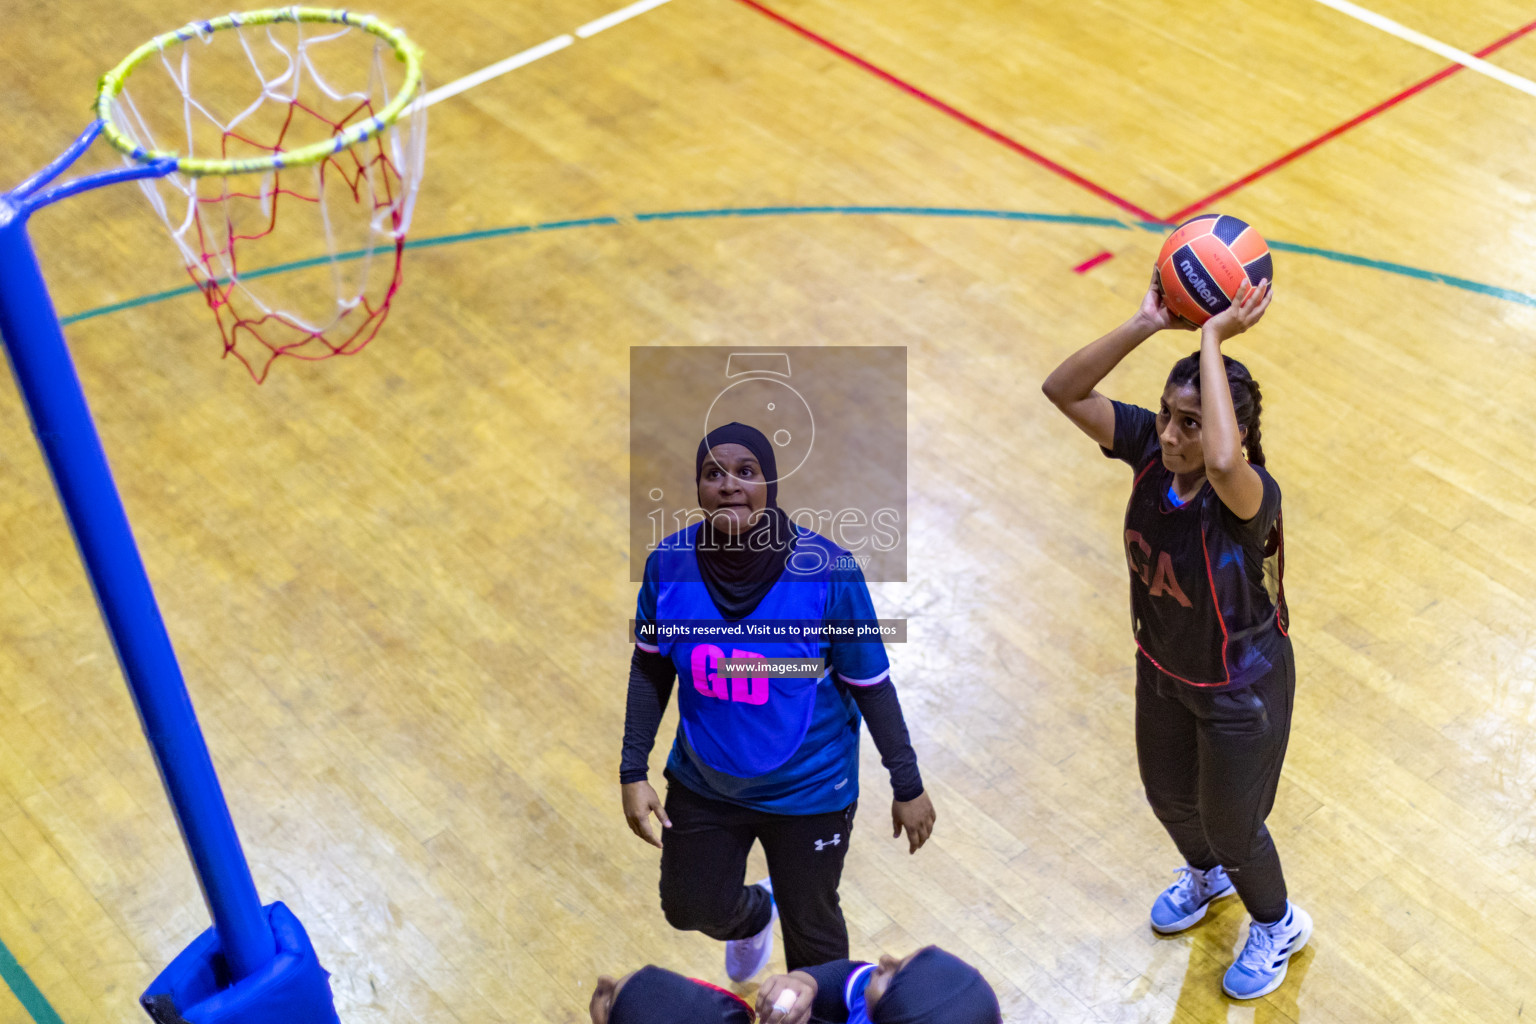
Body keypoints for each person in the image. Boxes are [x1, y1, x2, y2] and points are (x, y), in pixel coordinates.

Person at [1041, 274, 1311, 1000]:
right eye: (1165, 415)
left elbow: (1223, 461)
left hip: (1240, 690)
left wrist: (1213, 336)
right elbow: (1061, 390)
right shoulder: (1150, 454)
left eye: (1189, 421)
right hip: (1162, 670)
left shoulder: (1248, 496)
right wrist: (1144, 322)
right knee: (1169, 799)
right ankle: (1209, 877)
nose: (1167, 433)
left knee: (1236, 827)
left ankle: (1278, 922)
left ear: (1232, 429)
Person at [621, 422, 936, 981]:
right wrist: (632, 768)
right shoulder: (667, 566)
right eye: (713, 473)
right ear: (697, 488)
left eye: (747, 472)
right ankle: (754, 916)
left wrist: (906, 783)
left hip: (810, 790)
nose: (729, 485)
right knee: (689, 907)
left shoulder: (830, 572)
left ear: (771, 485)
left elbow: (871, 684)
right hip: (704, 780)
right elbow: (650, 665)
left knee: (815, 946)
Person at [587, 947, 1000, 1024]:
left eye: (894, 974)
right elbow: (852, 976)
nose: (886, 959)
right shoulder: (882, 1008)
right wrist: (807, 982)